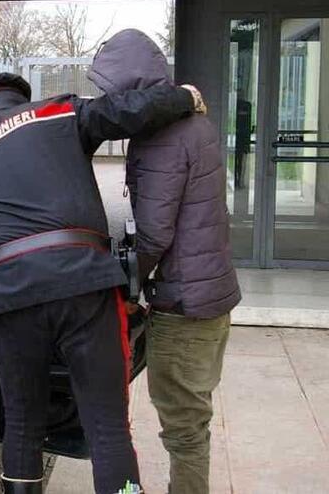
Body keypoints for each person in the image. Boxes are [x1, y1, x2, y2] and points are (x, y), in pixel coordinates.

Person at [0, 70, 203, 494]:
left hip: (11, 301)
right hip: (85, 286)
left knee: (21, 427)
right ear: (23, 99)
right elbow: (128, 111)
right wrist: (182, 97)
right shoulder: (57, 113)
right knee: (109, 427)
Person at [87, 29, 241, 494]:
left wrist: (124, 284)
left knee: (184, 430)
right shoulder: (195, 124)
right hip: (212, 295)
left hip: (184, 306)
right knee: (195, 420)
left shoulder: (161, 137)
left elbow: (154, 233)